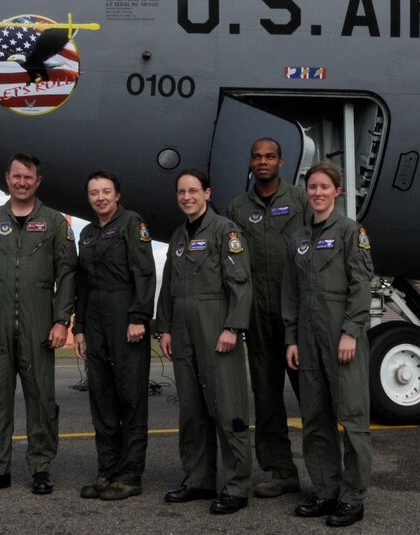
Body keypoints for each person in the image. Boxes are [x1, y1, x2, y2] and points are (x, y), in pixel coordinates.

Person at [0, 152, 77, 496]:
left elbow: (67, 274)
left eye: (28, 177)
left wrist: (61, 320)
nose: (22, 182)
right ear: (7, 179)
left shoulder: (55, 222)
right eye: (16, 177)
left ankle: (41, 468)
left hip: (39, 325)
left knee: (41, 398)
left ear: (38, 181)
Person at [156, 168, 254, 514]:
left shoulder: (224, 231)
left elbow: (241, 284)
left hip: (216, 328)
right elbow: (168, 288)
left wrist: (233, 327)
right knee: (192, 411)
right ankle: (198, 480)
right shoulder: (178, 236)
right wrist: (165, 328)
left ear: (207, 194)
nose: (186, 197)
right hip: (182, 331)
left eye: (193, 191)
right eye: (181, 192)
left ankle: (237, 485)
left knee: (227, 408)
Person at [283, 162, 374, 527]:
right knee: (315, 420)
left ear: (337, 191)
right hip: (307, 338)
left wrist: (352, 330)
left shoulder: (351, 232)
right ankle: (325, 491)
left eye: (324, 187)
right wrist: (291, 338)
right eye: (312, 187)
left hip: (342, 337)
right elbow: (290, 294)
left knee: (351, 419)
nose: (317, 193)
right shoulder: (299, 240)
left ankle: (353, 498)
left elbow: (361, 283)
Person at [226, 137, 306, 498]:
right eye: (257, 157)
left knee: (313, 396)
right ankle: (281, 470)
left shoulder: (299, 201)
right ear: (251, 162)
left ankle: (327, 472)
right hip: (257, 316)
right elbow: (230, 264)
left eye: (269, 156)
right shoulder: (237, 209)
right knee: (267, 397)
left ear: (281, 162)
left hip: (297, 315)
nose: (263, 162)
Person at [73, 170, 156, 501]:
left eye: (106, 191)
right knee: (102, 399)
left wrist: (138, 316)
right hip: (94, 320)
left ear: (117, 194)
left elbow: (145, 272)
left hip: (125, 317)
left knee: (131, 398)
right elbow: (82, 284)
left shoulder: (132, 223)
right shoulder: (87, 233)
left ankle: (131, 474)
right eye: (94, 192)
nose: (100, 197)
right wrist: (79, 328)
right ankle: (107, 470)